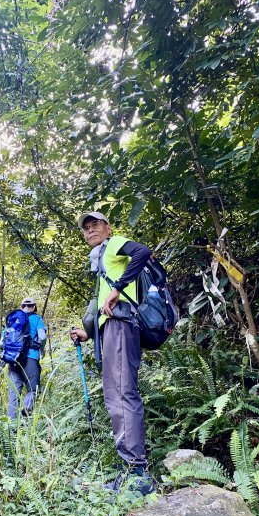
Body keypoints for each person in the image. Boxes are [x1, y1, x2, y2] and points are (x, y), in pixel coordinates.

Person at [70, 211, 156, 495]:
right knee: (116, 393)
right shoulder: (102, 258)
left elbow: (143, 252)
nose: (90, 230)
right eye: (86, 228)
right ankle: (131, 470)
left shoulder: (115, 243)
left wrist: (118, 288)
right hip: (112, 328)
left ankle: (137, 475)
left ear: (108, 228)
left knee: (121, 394)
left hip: (121, 326)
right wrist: (88, 333)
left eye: (95, 224)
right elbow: (103, 307)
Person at [7, 297, 46, 419]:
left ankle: (11, 428)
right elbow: (42, 337)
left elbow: (4, 339)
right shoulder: (37, 318)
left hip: (12, 359)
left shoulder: (14, 320)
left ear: (21, 306)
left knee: (14, 394)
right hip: (30, 359)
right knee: (34, 390)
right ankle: (25, 415)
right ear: (34, 307)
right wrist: (41, 349)